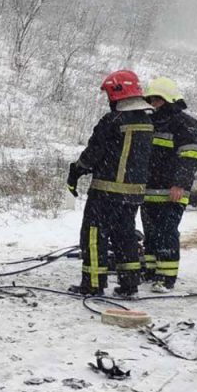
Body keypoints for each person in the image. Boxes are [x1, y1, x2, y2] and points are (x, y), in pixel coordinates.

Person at [67, 70, 154, 297]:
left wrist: (76, 171)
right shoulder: (146, 122)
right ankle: (129, 284)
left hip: (106, 192)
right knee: (125, 236)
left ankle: (93, 284)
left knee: (94, 236)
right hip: (133, 194)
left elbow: (95, 152)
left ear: (116, 94)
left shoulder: (113, 120)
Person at [141, 77, 197, 291]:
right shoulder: (150, 121)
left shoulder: (186, 124)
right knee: (150, 233)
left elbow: (191, 156)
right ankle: (150, 271)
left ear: (168, 99)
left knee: (166, 233)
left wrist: (180, 184)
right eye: (151, 99)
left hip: (172, 191)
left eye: (157, 99)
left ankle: (166, 278)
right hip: (149, 190)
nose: (153, 103)